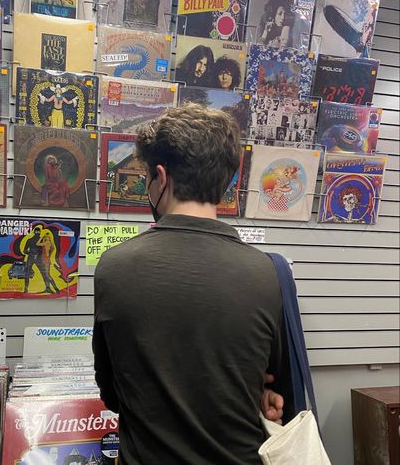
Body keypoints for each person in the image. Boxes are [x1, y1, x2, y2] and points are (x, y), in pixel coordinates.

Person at [93, 103, 292, 464]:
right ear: (226, 183)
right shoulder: (267, 271)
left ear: (161, 177)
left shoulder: (115, 266)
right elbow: (268, 378)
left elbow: (112, 394)